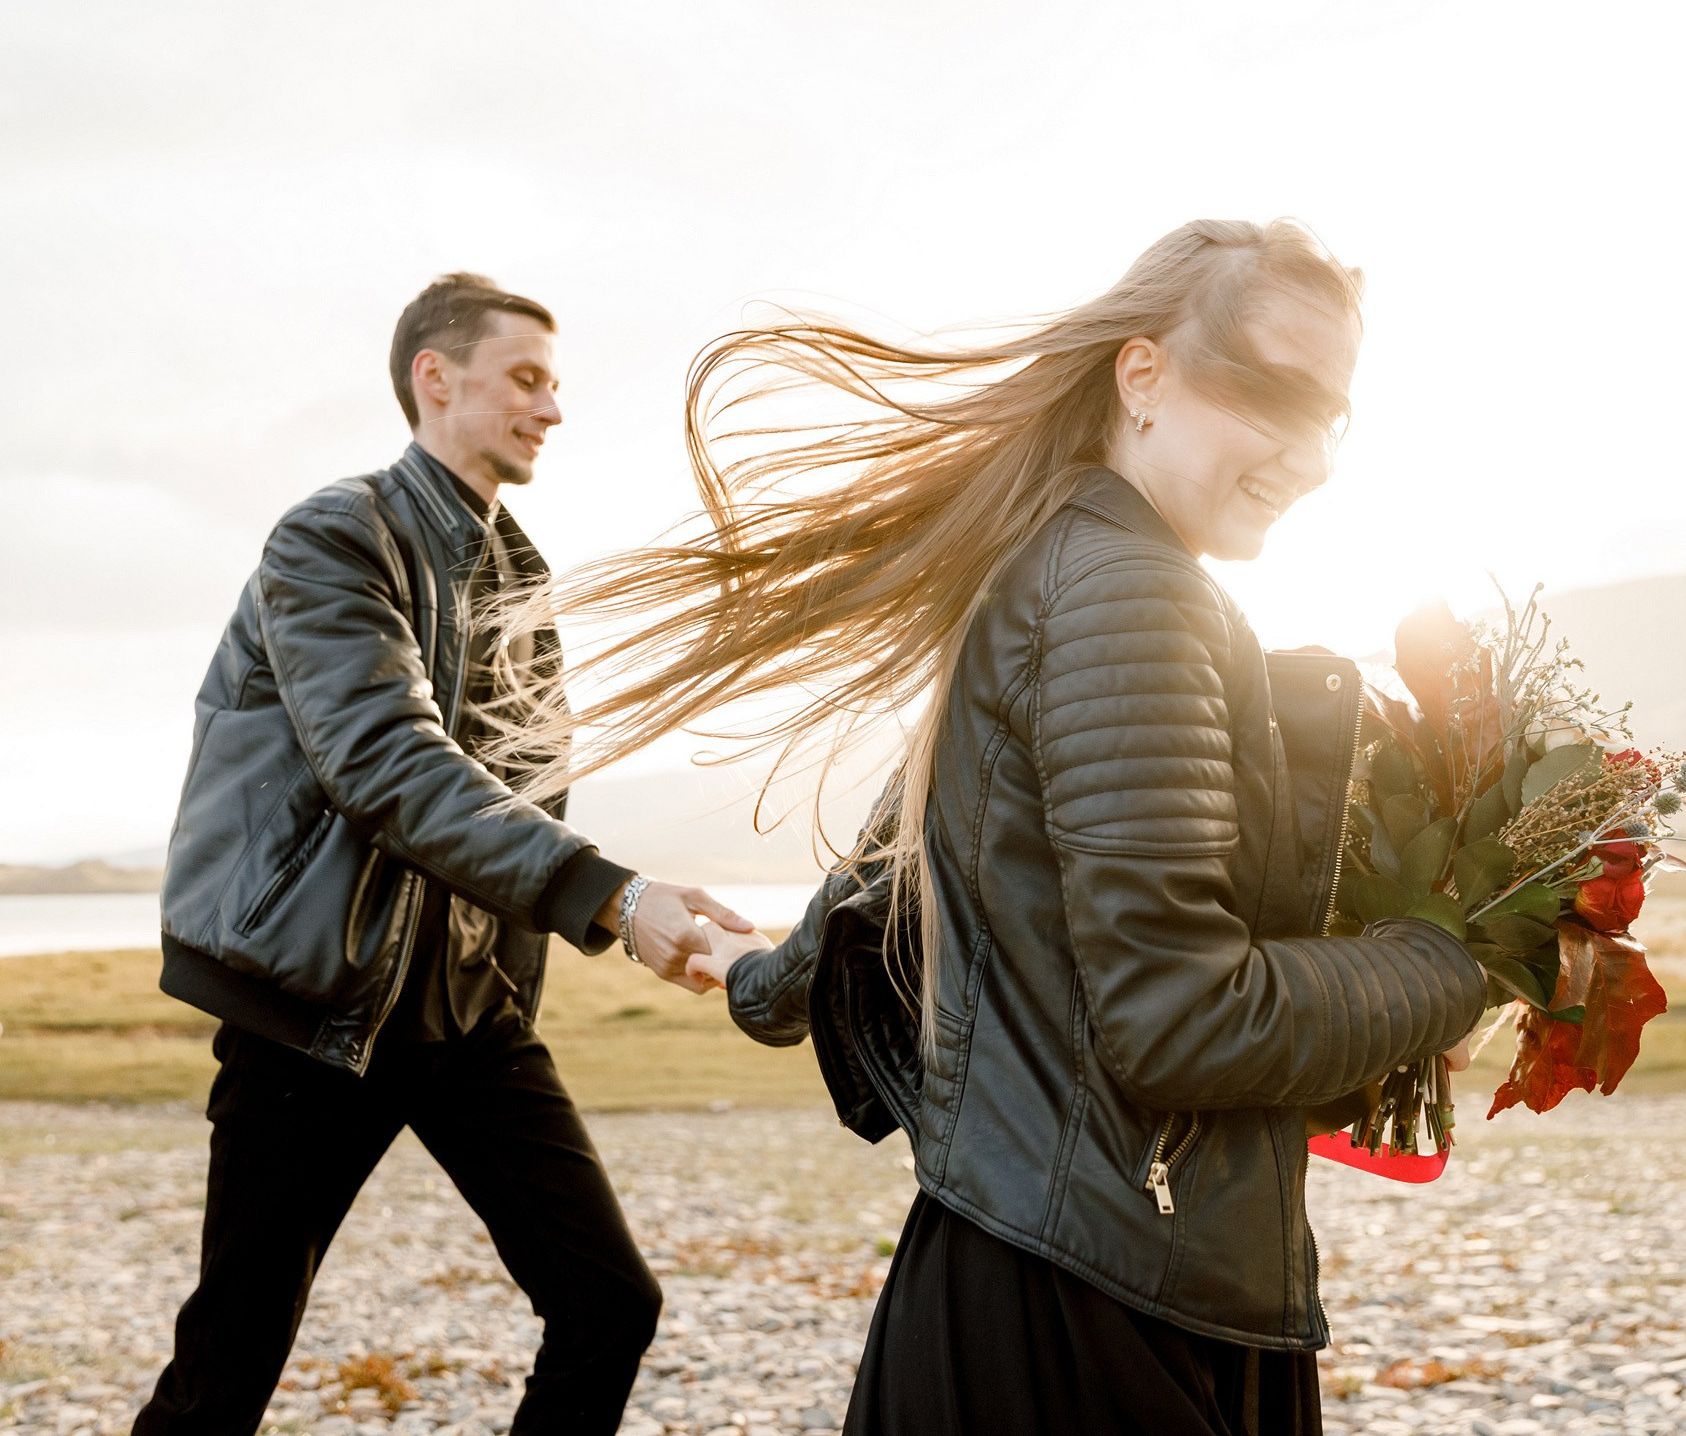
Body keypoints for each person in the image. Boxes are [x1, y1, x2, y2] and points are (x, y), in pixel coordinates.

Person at [530, 221, 1489, 1435]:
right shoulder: (1128, 597)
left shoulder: (1055, 570)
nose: (1311, 452)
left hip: (1037, 1271)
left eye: (1333, 415)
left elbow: (884, 886)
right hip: (1096, 1320)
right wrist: (1445, 966)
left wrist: (742, 972)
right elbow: (1176, 1019)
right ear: (1142, 377)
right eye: (1274, 394)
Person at [134, 273, 754, 1436]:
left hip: (466, 1016)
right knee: (231, 1357)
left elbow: (518, 791)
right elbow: (386, 760)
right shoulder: (333, 535)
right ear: (437, 376)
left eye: (555, 385)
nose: (552, 409)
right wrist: (615, 899)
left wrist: (546, 953)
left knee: (610, 1303)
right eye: (526, 379)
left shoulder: (521, 577)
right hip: (309, 1011)